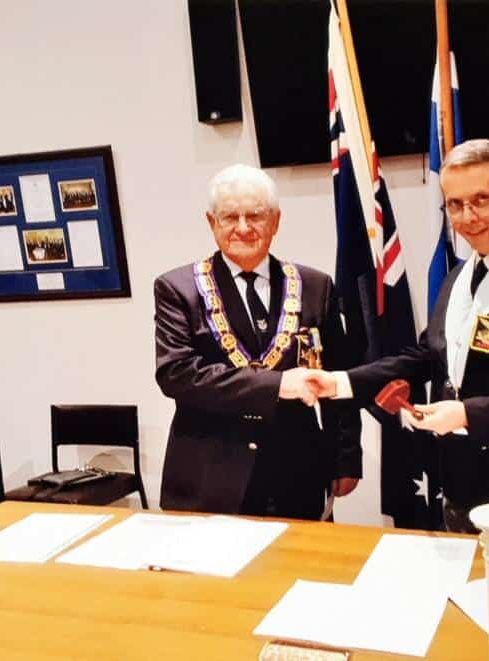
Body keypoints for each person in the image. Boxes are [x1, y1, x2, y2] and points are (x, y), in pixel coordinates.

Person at [307, 139, 489, 540]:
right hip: (461, 482)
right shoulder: (460, 277)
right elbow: (428, 355)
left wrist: (468, 414)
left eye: (482, 199)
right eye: (455, 204)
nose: (468, 217)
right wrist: (343, 382)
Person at [154, 164, 362, 520]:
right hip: (209, 471)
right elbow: (177, 374)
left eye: (255, 215)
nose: (243, 228)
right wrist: (279, 384)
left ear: (276, 221)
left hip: (296, 471)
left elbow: (339, 377)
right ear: (211, 222)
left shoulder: (315, 286)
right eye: (230, 217)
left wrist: (346, 458)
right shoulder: (178, 289)